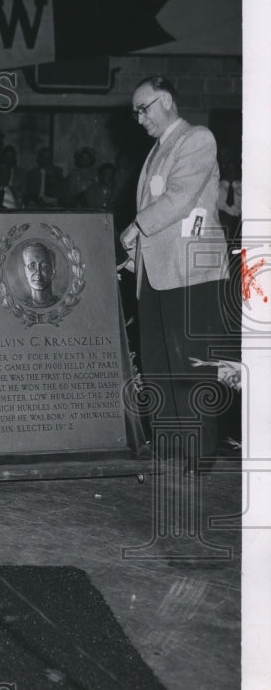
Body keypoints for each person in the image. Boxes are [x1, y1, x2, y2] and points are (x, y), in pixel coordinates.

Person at [119, 75, 230, 461]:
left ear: (165, 100)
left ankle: (199, 452)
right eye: (135, 112)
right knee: (157, 361)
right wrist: (135, 257)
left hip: (190, 274)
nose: (138, 118)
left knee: (190, 362)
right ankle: (169, 447)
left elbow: (180, 198)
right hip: (156, 272)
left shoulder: (197, 138)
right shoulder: (156, 151)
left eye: (143, 108)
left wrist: (137, 227)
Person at [20, 242, 60, 307]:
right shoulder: (21, 305)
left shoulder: (62, 303)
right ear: (25, 271)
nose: (38, 272)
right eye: (32, 265)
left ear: (53, 271)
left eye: (44, 266)